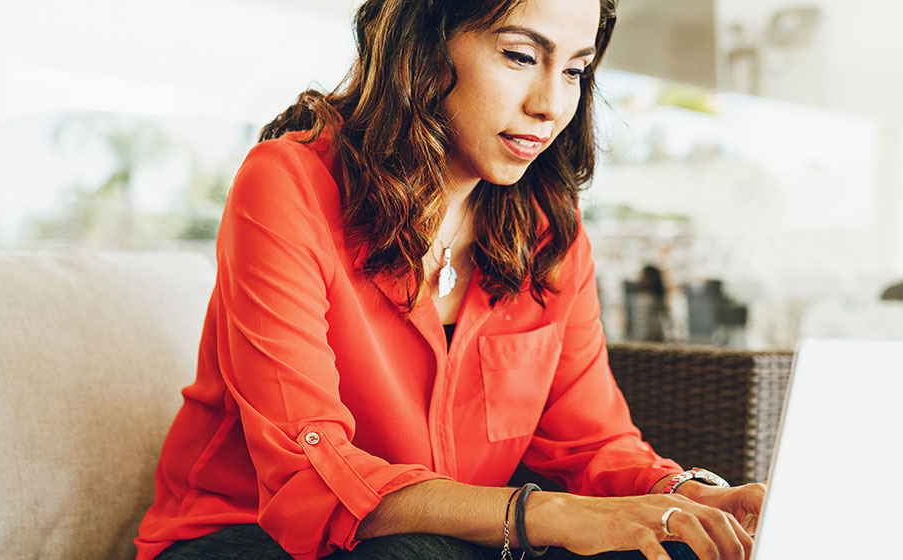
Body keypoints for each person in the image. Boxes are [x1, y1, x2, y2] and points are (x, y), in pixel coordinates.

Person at [134, 0, 767, 559]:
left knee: (674, 550)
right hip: (245, 537)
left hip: (464, 537)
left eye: (574, 69)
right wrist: (546, 514)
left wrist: (690, 499)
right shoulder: (287, 184)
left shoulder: (551, 232)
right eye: (520, 55)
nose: (550, 105)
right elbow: (310, 473)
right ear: (424, 44)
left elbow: (591, 442)